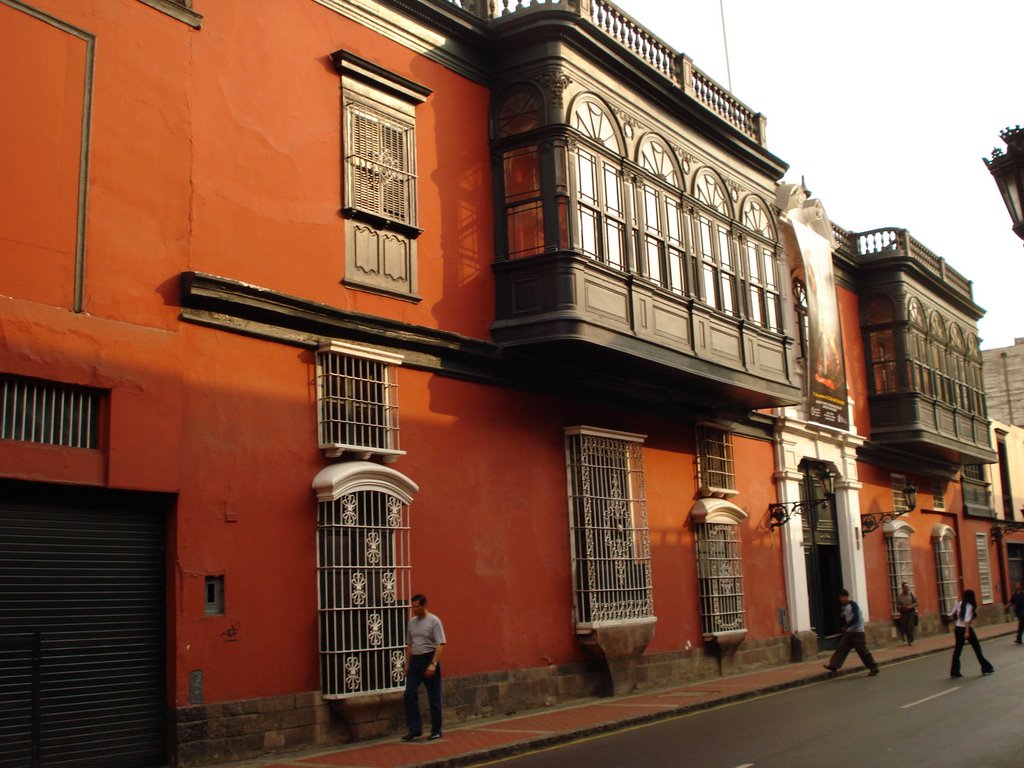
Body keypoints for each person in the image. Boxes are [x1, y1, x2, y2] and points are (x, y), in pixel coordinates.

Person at [402, 594, 446, 741]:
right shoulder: (411, 623)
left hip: (429, 658)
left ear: (424, 605)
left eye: (416, 606)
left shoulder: (434, 621)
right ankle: (415, 729)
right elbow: (409, 644)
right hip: (415, 661)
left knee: (434, 697)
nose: (414, 609)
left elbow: (440, 644)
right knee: (409, 693)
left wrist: (433, 664)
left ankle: (436, 730)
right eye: (412, 606)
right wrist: (407, 664)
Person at [823, 589, 880, 677]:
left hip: (858, 632)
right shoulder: (843, 607)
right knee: (841, 648)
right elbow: (844, 617)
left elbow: (856, 618)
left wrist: (847, 626)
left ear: (846, 596)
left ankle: (874, 667)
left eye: (842, 597)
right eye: (840, 597)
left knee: (863, 651)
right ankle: (834, 666)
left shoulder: (853, 605)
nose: (841, 599)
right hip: (849, 632)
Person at [949, 588, 994, 678]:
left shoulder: (959, 604)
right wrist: (967, 632)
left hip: (957, 629)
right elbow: (967, 620)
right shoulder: (969, 606)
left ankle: (954, 671)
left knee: (957, 650)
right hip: (966, 629)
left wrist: (957, 621)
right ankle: (986, 668)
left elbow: (951, 616)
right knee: (977, 648)